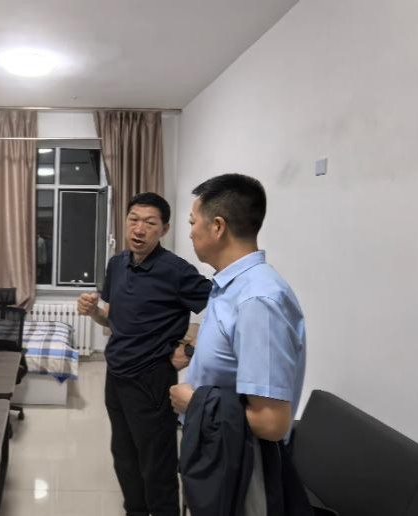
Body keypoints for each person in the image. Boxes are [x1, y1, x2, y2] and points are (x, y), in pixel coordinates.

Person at [170, 173, 308, 516]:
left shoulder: (258, 300)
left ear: (217, 227)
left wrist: (194, 402)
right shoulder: (230, 287)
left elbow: (271, 422)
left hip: (245, 465)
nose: (190, 232)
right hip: (219, 449)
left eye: (193, 222)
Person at [78, 192, 211, 516]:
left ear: (164, 229)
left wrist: (190, 349)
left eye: (150, 223)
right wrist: (94, 312)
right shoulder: (117, 264)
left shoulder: (176, 271)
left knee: (157, 463)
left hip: (152, 379)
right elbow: (112, 320)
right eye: (133, 220)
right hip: (116, 375)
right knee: (124, 457)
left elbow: (223, 311)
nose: (139, 229)